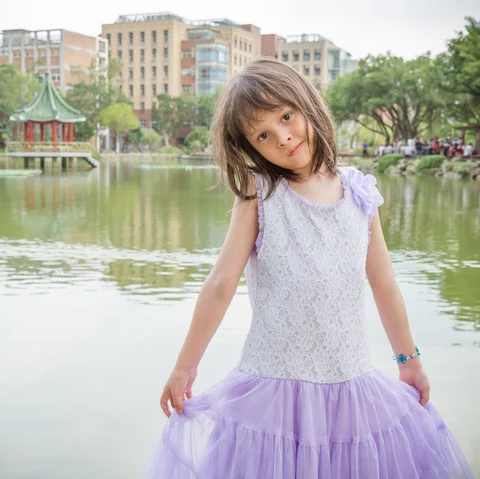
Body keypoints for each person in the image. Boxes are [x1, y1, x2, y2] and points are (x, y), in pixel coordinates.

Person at [141, 60, 473, 478]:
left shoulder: (358, 193)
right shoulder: (258, 194)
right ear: (250, 146)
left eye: (286, 117)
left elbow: (385, 285)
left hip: (351, 389)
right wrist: (185, 365)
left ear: (307, 105)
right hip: (272, 394)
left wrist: (410, 360)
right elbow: (222, 283)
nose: (283, 138)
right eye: (263, 134)